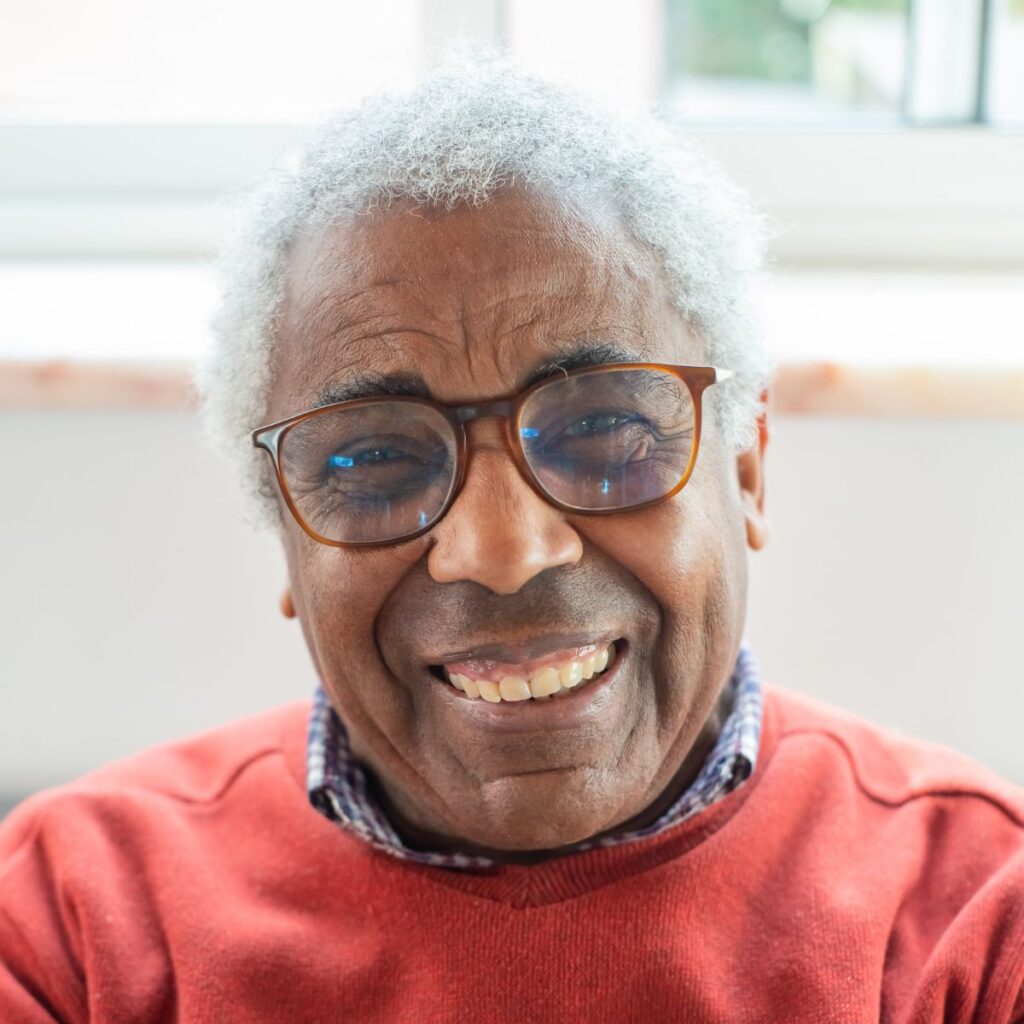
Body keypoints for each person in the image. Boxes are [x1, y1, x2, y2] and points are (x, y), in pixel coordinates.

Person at [2, 57, 1022, 1024]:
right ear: (283, 531)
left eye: (603, 428)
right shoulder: (66, 922)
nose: (501, 551)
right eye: (373, 459)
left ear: (746, 469)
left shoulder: (980, 918)